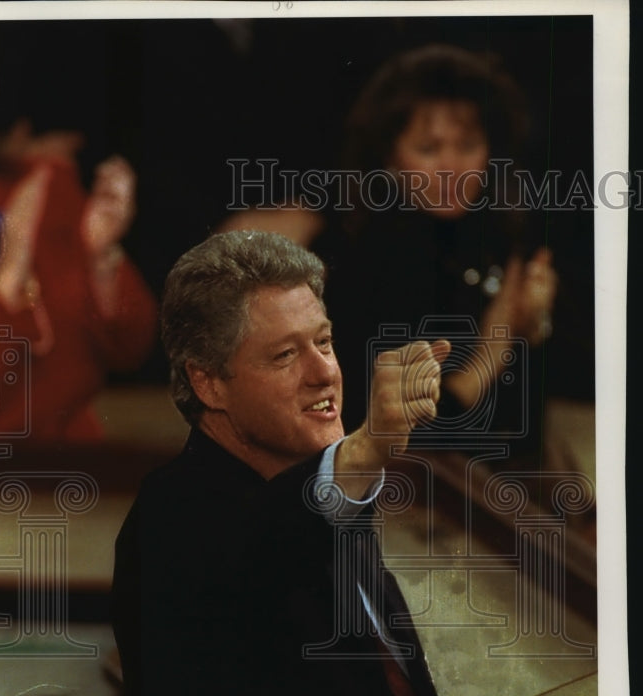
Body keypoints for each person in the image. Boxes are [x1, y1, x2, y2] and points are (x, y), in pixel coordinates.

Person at [111, 230, 471, 696]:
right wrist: (367, 450)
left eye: (325, 341)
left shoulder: (318, 482)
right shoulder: (175, 519)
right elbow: (264, 547)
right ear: (208, 383)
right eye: (283, 356)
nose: (323, 375)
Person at [219, 46, 559, 449]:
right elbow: (409, 436)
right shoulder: (364, 256)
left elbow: (530, 417)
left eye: (467, 145)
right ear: (389, 157)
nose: (451, 165)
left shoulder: (501, 234)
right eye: (429, 149)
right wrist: (499, 344)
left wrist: (533, 325)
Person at [0, 71, 157, 441]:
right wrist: (5, 281)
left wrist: (100, 259)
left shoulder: (40, 183)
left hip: (75, 464)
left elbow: (132, 348)